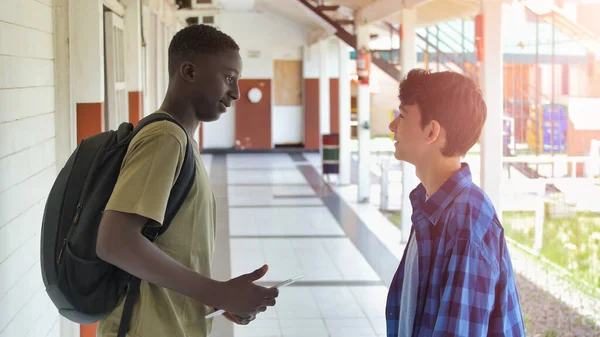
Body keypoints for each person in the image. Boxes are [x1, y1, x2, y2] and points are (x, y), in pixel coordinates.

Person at [95, 24, 278, 337]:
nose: (235, 92)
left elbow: (171, 249)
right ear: (189, 71)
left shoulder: (180, 140)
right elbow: (115, 242)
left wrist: (222, 298)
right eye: (229, 78)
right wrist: (218, 293)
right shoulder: (165, 138)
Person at [385, 69, 526, 336]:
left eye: (402, 116)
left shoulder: (467, 221)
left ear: (431, 131)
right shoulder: (430, 204)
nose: (393, 126)